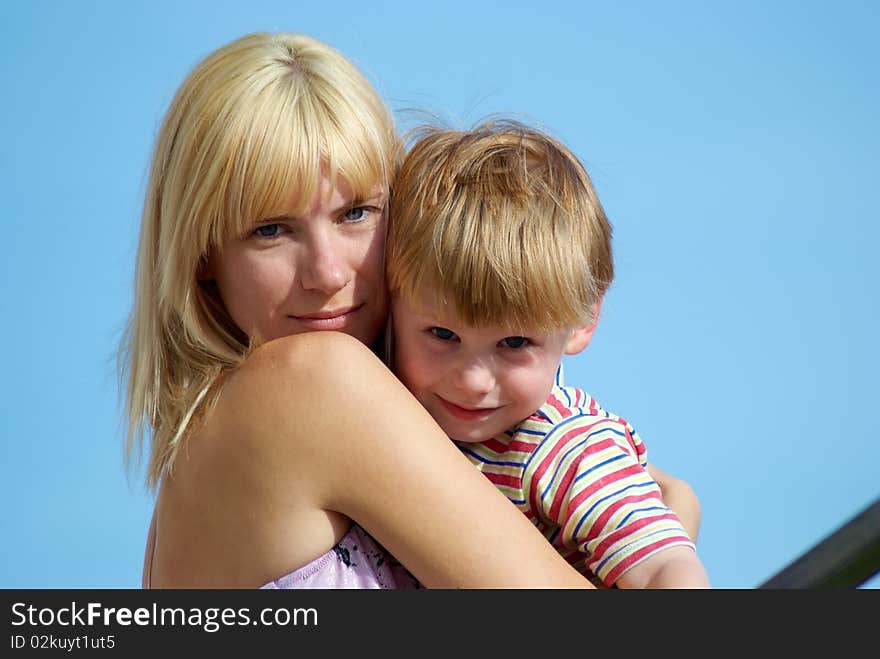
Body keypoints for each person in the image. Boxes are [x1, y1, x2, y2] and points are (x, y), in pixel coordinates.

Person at [123, 31, 698, 589]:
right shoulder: (311, 382)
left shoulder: (213, 440)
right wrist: (676, 525)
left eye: (356, 214)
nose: (327, 272)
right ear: (201, 255)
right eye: (270, 230)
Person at [385, 120, 710, 587]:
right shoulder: (381, 397)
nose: (473, 380)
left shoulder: (564, 445)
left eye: (514, 344)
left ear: (582, 319)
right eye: (442, 334)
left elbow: (662, 564)